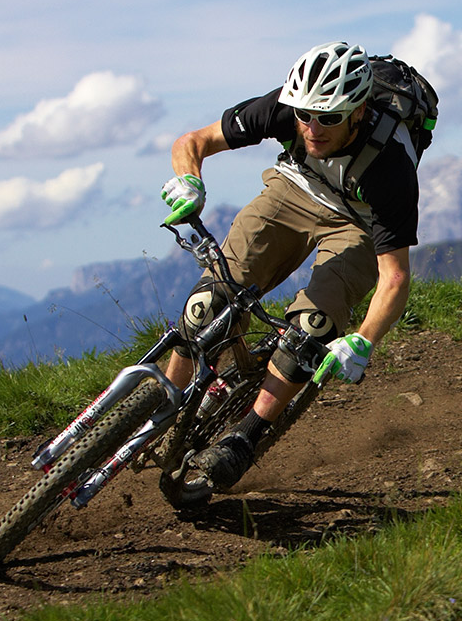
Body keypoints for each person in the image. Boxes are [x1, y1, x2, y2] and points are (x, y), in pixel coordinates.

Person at [158, 41, 420, 489]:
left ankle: (245, 437)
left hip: (358, 221)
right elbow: (193, 142)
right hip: (293, 190)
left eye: (329, 118)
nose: (313, 128)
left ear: (358, 112)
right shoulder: (287, 109)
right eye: (305, 116)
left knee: (313, 329)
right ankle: (164, 409)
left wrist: (363, 341)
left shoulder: (392, 166)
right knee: (205, 307)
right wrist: (189, 179)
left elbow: (394, 276)